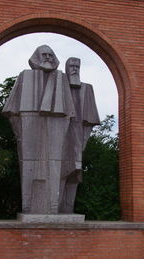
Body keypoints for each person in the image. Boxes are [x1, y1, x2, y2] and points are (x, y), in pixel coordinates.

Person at [2, 45, 75, 214]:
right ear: (36, 57)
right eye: (44, 55)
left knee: (55, 164)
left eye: (51, 55)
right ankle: (27, 206)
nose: (48, 58)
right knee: (28, 163)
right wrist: (17, 128)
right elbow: (11, 109)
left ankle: (53, 207)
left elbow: (69, 112)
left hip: (56, 120)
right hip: (28, 118)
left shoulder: (60, 78)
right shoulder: (24, 76)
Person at [59, 57, 100, 213]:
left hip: (77, 137)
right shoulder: (59, 87)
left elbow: (89, 121)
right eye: (71, 66)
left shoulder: (86, 89)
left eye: (77, 66)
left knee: (75, 172)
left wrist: (83, 140)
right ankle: (54, 209)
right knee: (61, 172)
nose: (74, 69)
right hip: (60, 135)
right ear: (66, 67)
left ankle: (67, 210)